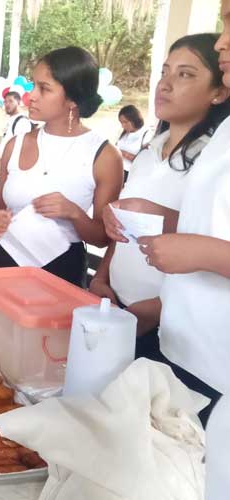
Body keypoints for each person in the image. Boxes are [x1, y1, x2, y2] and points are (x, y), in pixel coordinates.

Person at [92, 35, 230, 402]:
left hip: (165, 324)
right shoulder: (149, 151)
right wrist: (103, 277)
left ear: (217, 92)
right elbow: (131, 231)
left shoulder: (208, 156)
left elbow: (203, 242)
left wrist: (156, 309)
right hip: (129, 311)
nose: (164, 84)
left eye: (184, 75)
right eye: (164, 71)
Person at [137, 10, 230, 498]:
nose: (223, 43)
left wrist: (204, 252)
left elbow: (209, 244)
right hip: (182, 339)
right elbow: (207, 227)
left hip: (217, 359)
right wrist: (160, 219)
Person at [0, 47, 123, 287]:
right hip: (7, 263)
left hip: (61, 271)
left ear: (73, 100)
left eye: (44, 89)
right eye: (33, 85)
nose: (31, 96)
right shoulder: (16, 145)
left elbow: (102, 237)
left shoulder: (104, 155)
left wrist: (74, 213)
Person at [115, 104, 151, 182]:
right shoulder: (124, 132)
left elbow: (143, 160)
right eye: (121, 123)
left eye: (125, 122)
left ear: (134, 119)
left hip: (131, 174)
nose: (122, 126)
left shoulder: (147, 134)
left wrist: (120, 152)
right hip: (116, 169)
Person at [0, 91, 32, 162]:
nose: (7, 104)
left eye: (11, 101)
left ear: (18, 103)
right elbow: (6, 139)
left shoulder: (22, 121)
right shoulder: (11, 120)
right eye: (5, 102)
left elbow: (21, 147)